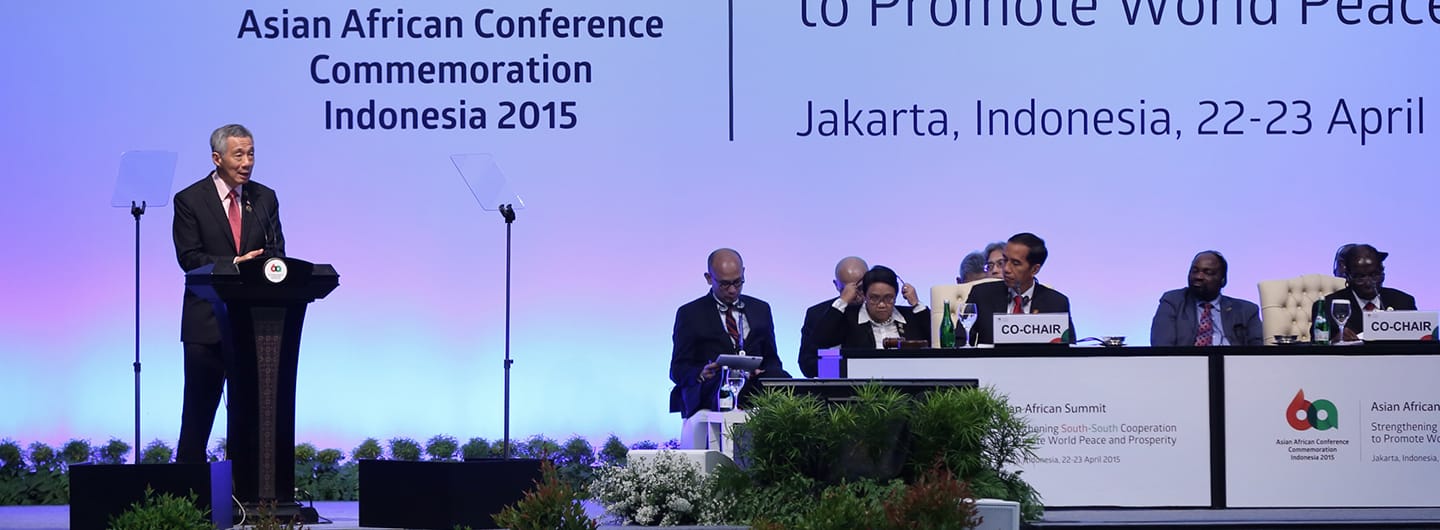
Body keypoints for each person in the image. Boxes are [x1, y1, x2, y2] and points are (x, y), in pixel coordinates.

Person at [172, 124, 285, 463]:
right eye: (239, 155)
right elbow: (189, 258)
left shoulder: (264, 198)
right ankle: (188, 487)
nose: (247, 162)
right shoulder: (190, 200)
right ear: (217, 158)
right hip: (205, 324)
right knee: (197, 414)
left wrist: (270, 267)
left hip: (252, 325)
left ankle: (244, 487)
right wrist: (236, 264)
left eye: (251, 154)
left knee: (248, 417)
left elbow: (276, 252)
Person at [669, 248, 792, 417]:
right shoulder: (690, 314)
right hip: (715, 386)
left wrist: (764, 372)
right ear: (709, 278)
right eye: (725, 284)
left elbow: (771, 358)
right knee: (723, 385)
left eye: (738, 282)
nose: (733, 290)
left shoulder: (761, 309)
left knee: (782, 379)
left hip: (754, 384)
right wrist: (701, 373)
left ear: (744, 273)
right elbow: (677, 369)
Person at [963, 233, 1074, 345]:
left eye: (1015, 263)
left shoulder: (1057, 303)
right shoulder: (981, 294)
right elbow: (960, 342)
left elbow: (1070, 348)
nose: (1006, 269)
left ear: (1034, 270)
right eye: (1005, 260)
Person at [1150, 251, 1263, 346]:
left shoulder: (1246, 310)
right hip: (1184, 364)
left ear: (1223, 280)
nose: (1198, 277)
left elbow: (1259, 352)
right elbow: (1162, 348)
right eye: (1194, 271)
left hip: (1235, 364)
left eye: (1208, 272)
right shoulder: (1173, 301)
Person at [1315, 244, 1417, 341]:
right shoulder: (1327, 306)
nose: (1369, 283)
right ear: (1348, 276)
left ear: (1383, 273)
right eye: (1360, 277)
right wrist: (1334, 342)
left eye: (1375, 275)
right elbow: (1316, 345)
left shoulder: (1404, 302)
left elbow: (1417, 341)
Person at [818, 265, 931, 349]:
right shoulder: (848, 319)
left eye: (888, 298)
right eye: (874, 298)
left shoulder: (911, 317)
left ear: (896, 295)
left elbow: (936, 340)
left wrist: (916, 304)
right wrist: (843, 300)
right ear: (864, 295)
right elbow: (821, 340)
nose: (882, 304)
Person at [798, 256, 868, 378]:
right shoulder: (817, 314)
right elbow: (807, 365)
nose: (854, 294)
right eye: (846, 290)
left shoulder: (881, 310)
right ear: (836, 285)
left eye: (860, 288)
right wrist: (843, 370)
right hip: (834, 384)